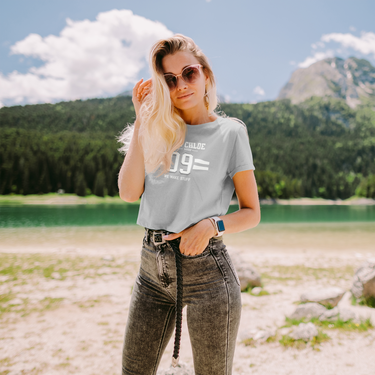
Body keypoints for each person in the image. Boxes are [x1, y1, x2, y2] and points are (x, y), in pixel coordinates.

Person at [118, 34, 260, 375]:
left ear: (206, 75)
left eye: (189, 73)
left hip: (208, 275)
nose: (181, 84)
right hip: (152, 271)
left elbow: (251, 212)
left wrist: (213, 225)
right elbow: (128, 191)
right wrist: (141, 120)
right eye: (169, 79)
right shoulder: (156, 129)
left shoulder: (230, 133)